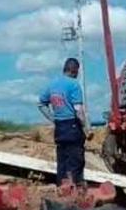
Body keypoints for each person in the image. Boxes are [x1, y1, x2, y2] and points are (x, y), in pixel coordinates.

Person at [38, 58, 89, 186]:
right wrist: (86, 127)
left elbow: (41, 104)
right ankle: (74, 191)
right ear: (75, 71)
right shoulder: (74, 85)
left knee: (62, 162)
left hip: (60, 128)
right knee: (76, 161)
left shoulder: (52, 85)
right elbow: (78, 110)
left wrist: (53, 118)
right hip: (72, 126)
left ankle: (62, 188)